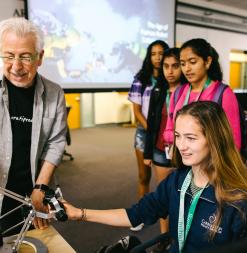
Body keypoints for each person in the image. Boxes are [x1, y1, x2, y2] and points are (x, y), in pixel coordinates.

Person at [62, 101, 247, 253]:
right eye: (177, 136)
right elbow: (135, 214)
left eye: (191, 138)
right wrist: (80, 214)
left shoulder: (237, 200)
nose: (181, 146)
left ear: (215, 140)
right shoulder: (178, 181)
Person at [0, 17, 67, 236]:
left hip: (33, 194)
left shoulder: (54, 93)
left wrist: (40, 187)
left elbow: (56, 142)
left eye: (25, 57)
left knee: (33, 244)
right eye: (9, 56)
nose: (16, 66)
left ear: (40, 58)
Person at [163, 38, 241, 151]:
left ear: (207, 62)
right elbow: (168, 130)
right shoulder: (178, 93)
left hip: (212, 164)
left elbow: (234, 141)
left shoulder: (223, 93)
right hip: (183, 159)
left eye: (193, 62)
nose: (187, 69)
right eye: (183, 64)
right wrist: (183, 139)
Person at [143, 48, 186, 248]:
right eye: (166, 66)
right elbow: (151, 125)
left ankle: (180, 238)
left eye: (175, 66)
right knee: (163, 195)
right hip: (161, 150)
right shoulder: (158, 91)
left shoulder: (188, 92)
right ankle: (164, 239)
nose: (170, 71)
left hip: (183, 152)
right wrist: (147, 152)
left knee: (183, 194)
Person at [128, 40, 169, 231]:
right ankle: (141, 215)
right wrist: (152, 129)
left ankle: (167, 222)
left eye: (161, 53)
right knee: (144, 177)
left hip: (164, 135)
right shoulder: (140, 79)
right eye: (154, 53)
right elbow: (136, 112)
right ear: (149, 56)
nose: (158, 57)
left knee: (165, 181)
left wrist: (160, 131)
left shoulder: (169, 78)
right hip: (145, 133)